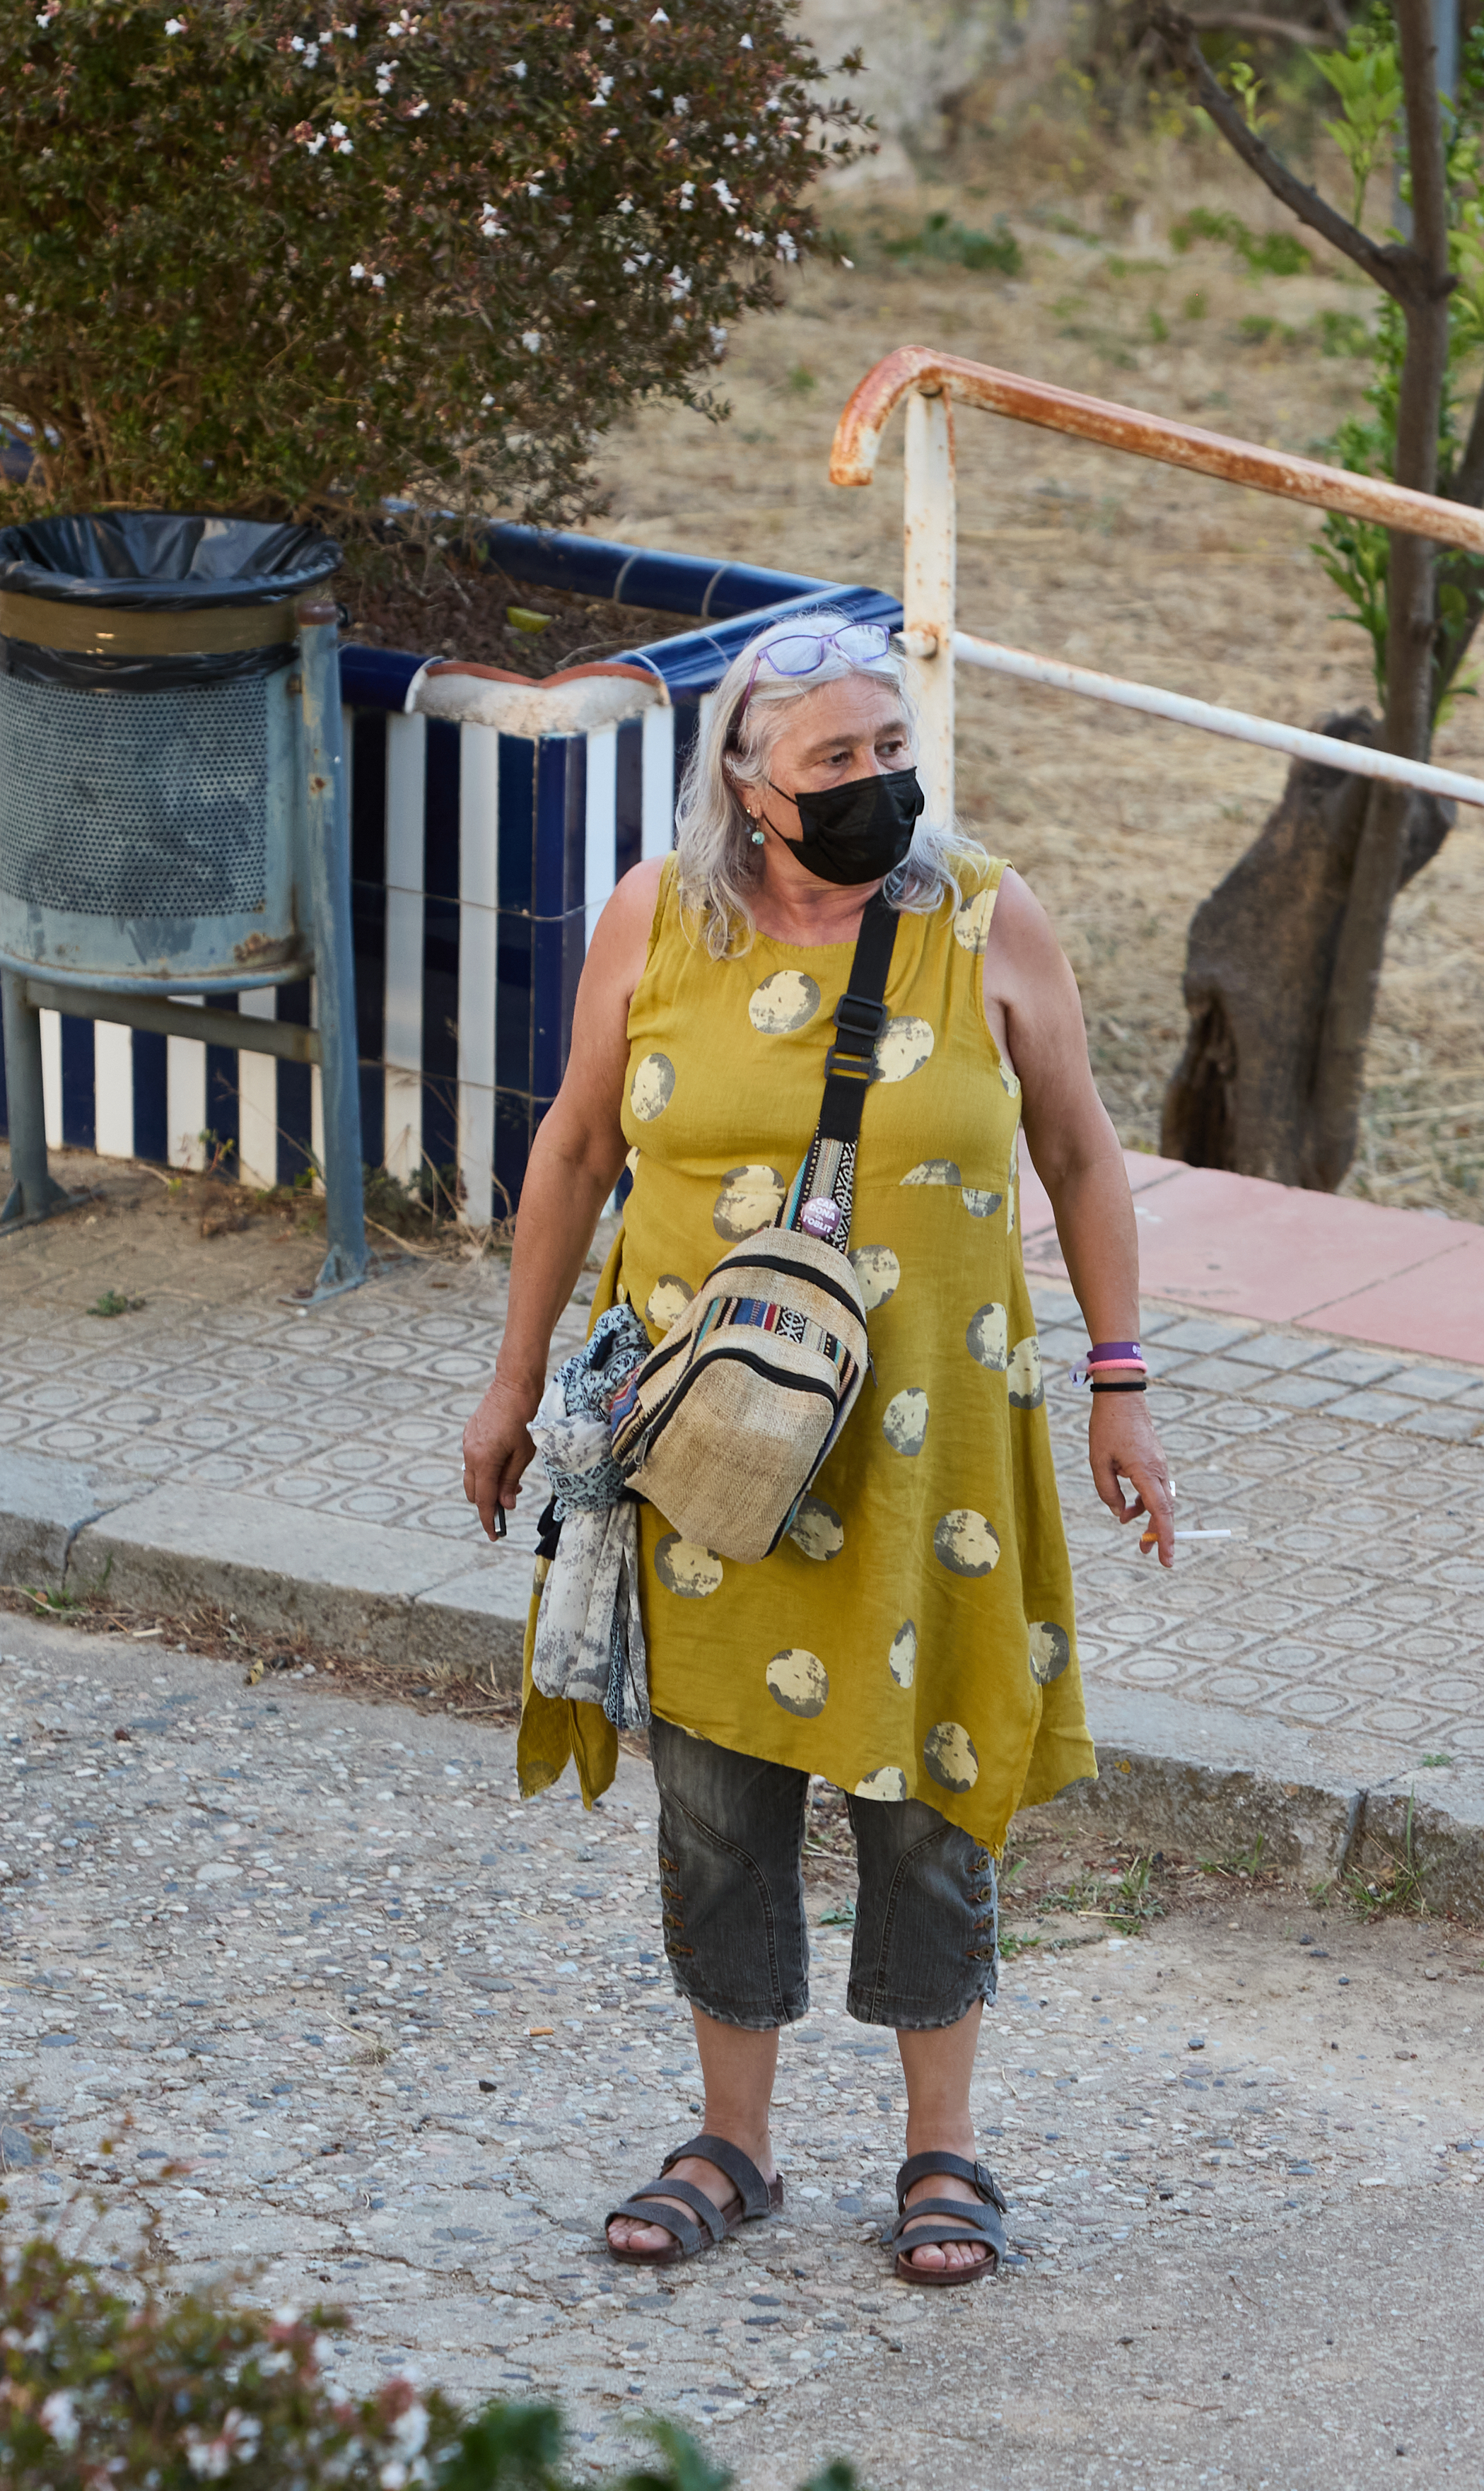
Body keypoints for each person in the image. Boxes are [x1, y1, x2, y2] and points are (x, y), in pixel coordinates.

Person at [459, 611, 1177, 2285]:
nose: (875, 786)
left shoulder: (985, 920)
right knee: (715, 1799)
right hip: (706, 1454)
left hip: (930, 1457)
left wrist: (1119, 1382)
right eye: (834, 761)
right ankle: (737, 2142)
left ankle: (945, 2150)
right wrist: (507, 1384)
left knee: (930, 1793)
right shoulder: (656, 921)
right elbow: (572, 1151)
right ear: (748, 783)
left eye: (888, 752)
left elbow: (1079, 1154)